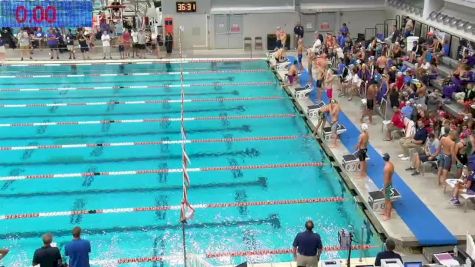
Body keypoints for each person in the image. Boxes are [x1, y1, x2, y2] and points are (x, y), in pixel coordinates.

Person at [382, 153, 394, 221]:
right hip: (390, 183)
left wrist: (384, 188)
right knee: (386, 200)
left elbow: (386, 180)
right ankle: (385, 212)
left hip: (387, 185)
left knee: (388, 201)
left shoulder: (386, 168)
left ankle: (388, 215)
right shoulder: (391, 164)